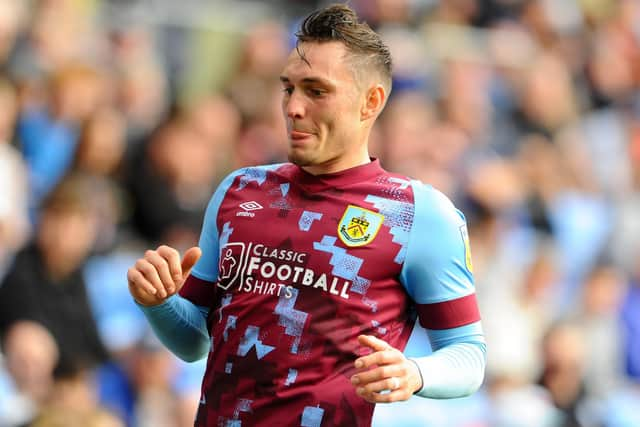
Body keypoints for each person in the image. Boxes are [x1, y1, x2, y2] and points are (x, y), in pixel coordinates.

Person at [127, 4, 486, 426]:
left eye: (316, 91)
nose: (294, 107)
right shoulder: (238, 191)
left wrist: (416, 372)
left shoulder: (416, 214)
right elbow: (193, 343)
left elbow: (468, 354)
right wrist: (158, 303)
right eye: (288, 89)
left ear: (371, 102)